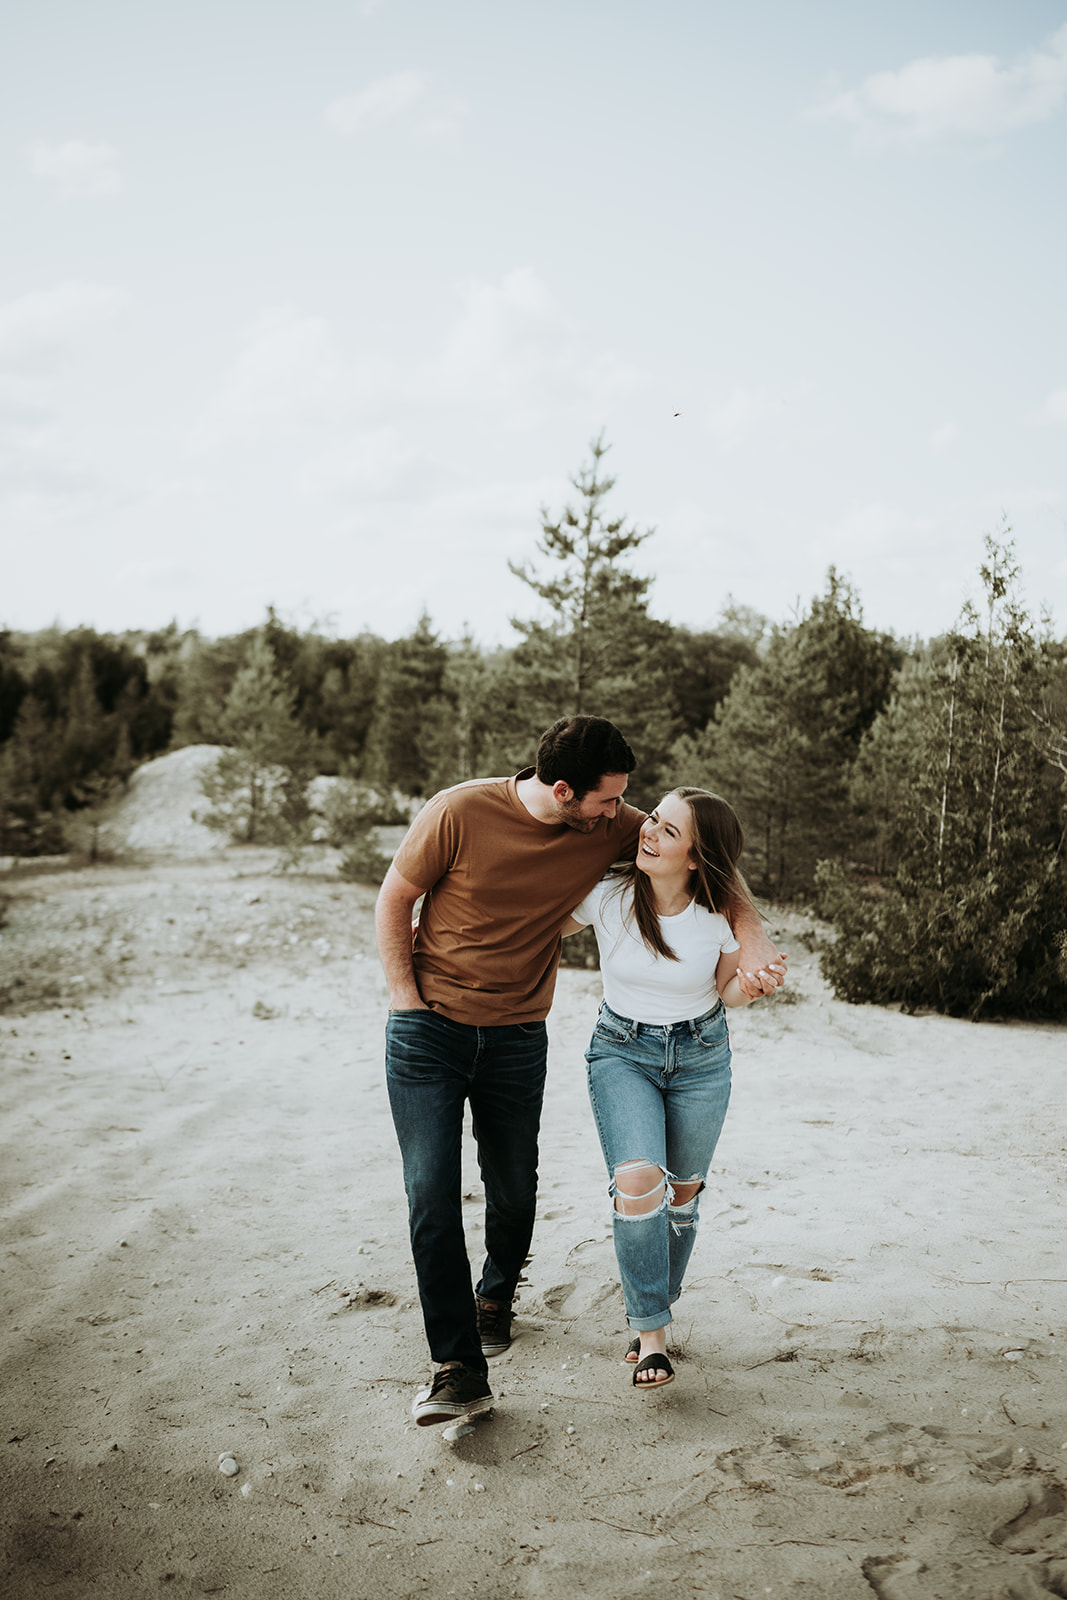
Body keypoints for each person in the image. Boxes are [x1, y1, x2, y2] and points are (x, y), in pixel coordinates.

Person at [375, 719, 785, 1426]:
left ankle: (496, 1296)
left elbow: (715, 866)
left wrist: (754, 944)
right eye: (611, 805)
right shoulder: (458, 810)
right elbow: (395, 898)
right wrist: (405, 999)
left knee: (513, 1185)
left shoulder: (616, 825)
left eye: (633, 809)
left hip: (517, 1035)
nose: (624, 820)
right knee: (431, 1191)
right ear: (564, 791)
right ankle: (457, 1367)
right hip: (430, 1029)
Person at [562, 786, 764, 1391]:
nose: (648, 832)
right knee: (638, 1181)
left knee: (682, 1195)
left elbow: (727, 989)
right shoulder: (608, 897)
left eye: (668, 832)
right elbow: (535, 926)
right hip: (621, 1052)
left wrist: (747, 990)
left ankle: (657, 1299)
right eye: (653, 820)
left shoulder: (717, 918)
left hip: (702, 1057)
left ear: (698, 858)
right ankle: (652, 1333)